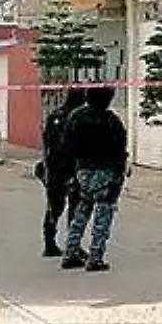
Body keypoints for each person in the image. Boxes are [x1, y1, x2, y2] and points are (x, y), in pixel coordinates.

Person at [59, 86, 127, 273]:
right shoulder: (111, 120)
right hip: (106, 171)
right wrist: (120, 173)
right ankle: (95, 257)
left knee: (81, 212)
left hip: (82, 171)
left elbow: (66, 145)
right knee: (103, 215)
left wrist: (71, 172)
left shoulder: (76, 118)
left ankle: (70, 252)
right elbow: (120, 148)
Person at [39, 88, 86, 257]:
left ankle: (49, 243)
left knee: (54, 206)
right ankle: (74, 245)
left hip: (54, 168)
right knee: (75, 207)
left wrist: (45, 167)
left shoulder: (54, 115)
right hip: (73, 168)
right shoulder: (79, 118)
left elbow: (45, 143)